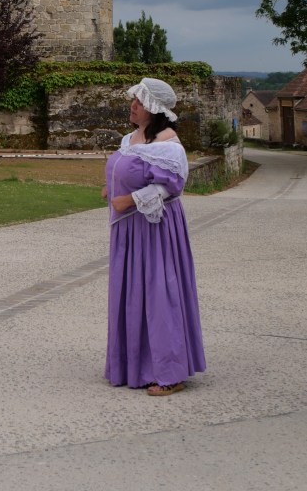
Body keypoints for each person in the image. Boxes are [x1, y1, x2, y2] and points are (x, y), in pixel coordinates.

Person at [102, 77, 205, 396]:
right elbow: (128, 170)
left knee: (159, 294)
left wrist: (130, 199)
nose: (133, 105)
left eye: (140, 102)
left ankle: (169, 373)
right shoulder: (132, 138)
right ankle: (133, 366)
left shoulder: (168, 144)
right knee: (133, 295)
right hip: (129, 231)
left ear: (154, 108)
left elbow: (171, 186)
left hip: (155, 229)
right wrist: (112, 187)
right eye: (134, 100)